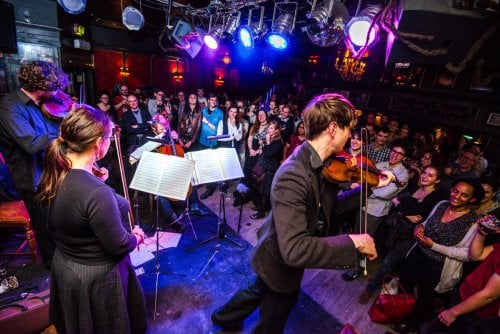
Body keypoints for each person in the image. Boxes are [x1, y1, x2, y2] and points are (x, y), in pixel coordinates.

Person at [211, 93, 396, 333]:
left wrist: (368, 185)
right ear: (332, 128)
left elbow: (330, 209)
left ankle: (223, 317)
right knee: (272, 321)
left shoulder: (324, 165)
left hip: (273, 252)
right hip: (279, 260)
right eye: (348, 129)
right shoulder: (293, 174)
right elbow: (296, 249)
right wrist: (353, 243)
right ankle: (226, 318)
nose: (351, 136)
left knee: (256, 289)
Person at [37, 106, 147, 333]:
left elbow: (79, 210)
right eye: (108, 138)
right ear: (99, 143)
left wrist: (99, 182)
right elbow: (119, 245)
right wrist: (136, 237)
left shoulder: (56, 171)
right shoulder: (95, 193)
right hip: (97, 277)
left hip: (67, 264)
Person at [0, 60, 69, 266]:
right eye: (53, 88)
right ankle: (54, 269)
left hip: (51, 172)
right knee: (45, 227)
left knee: (60, 221)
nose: (57, 92)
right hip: (32, 178)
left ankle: (68, 263)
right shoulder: (10, 107)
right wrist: (66, 133)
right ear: (40, 88)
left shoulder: (42, 105)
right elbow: (31, 143)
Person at [394, 178, 484, 333]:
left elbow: (466, 254)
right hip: (418, 254)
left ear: (472, 199)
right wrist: (420, 227)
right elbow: (427, 222)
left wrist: (434, 246)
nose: (456, 196)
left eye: (464, 195)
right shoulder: (441, 204)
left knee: (425, 297)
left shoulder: (474, 221)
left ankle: (412, 324)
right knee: (404, 285)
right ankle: (400, 314)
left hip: (438, 265)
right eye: (455, 191)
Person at [357, 166, 443, 304]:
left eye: (430, 175)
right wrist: (406, 213)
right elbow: (395, 201)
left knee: (388, 262)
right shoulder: (415, 187)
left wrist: (400, 207)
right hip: (394, 227)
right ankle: (382, 279)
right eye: (425, 173)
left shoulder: (434, 199)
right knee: (385, 257)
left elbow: (418, 214)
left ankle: (369, 289)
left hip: (408, 235)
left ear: (437, 180)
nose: (425, 176)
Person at [419, 211, 500, 334]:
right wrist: (481, 233)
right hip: (465, 294)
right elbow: (476, 255)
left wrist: (454, 312)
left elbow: (488, 295)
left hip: (475, 309)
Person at [250, 120, 284, 220]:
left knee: (265, 191)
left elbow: (269, 155)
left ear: (277, 131)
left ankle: (261, 212)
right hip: (263, 166)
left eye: (271, 128)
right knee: (259, 188)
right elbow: (264, 152)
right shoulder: (270, 139)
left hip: (270, 169)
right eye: (269, 127)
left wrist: (267, 142)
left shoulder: (278, 142)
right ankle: (260, 207)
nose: (269, 129)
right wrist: (262, 144)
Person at [199, 94, 224, 200]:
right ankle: (204, 182)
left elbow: (218, 130)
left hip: (213, 142)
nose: (213, 102)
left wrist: (207, 122)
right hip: (202, 141)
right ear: (208, 100)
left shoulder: (220, 113)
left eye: (215, 100)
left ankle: (209, 188)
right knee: (203, 164)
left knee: (211, 165)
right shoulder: (203, 110)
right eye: (212, 100)